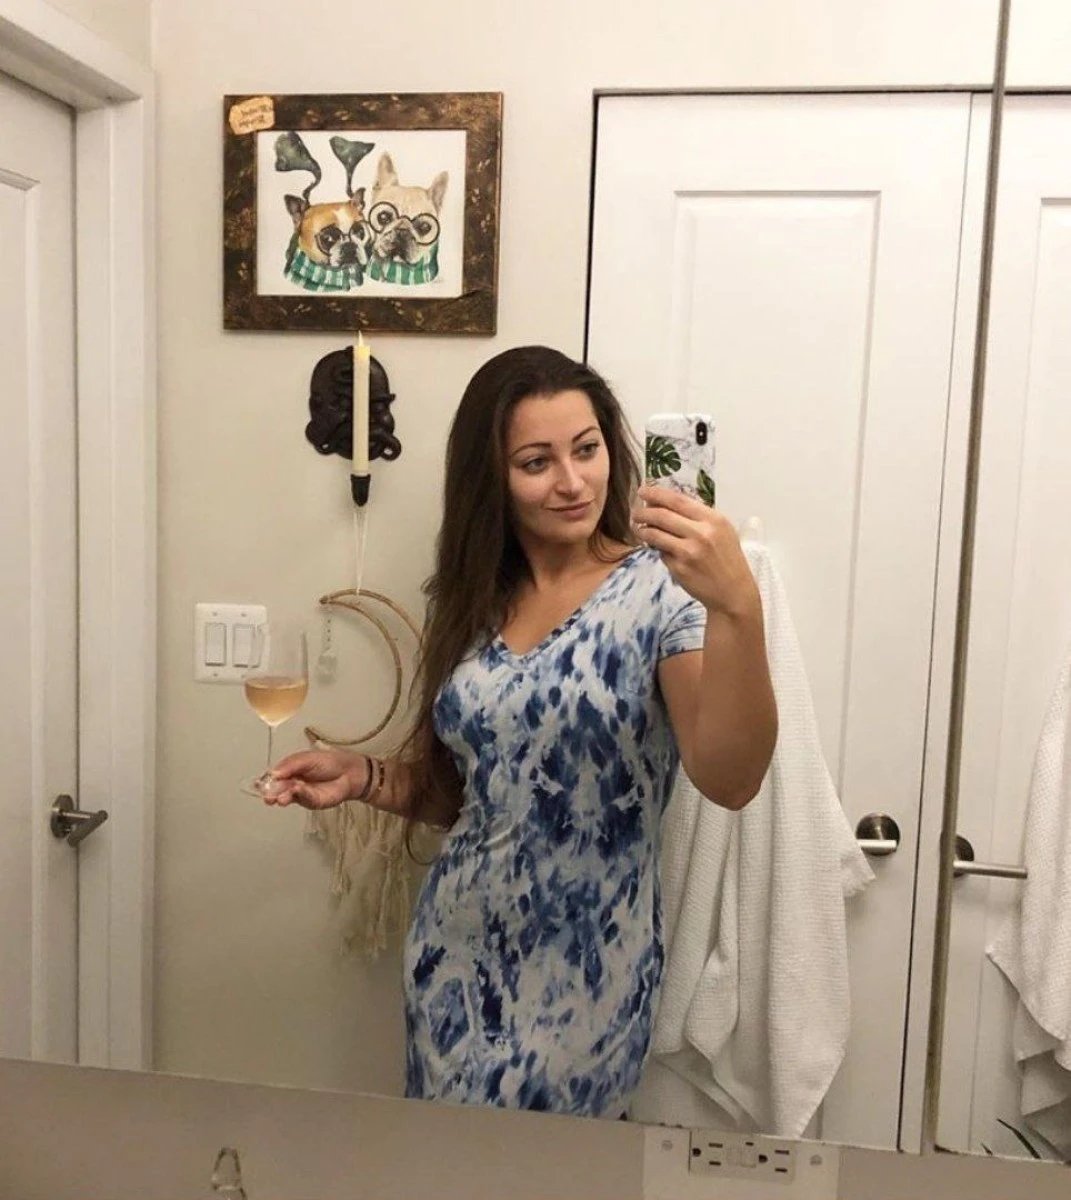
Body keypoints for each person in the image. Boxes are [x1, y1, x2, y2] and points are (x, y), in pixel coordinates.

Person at [265, 346, 777, 1119]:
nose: (572, 482)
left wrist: (737, 606)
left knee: (545, 1170)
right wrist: (365, 777)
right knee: (445, 1164)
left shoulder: (662, 593)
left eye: (586, 450)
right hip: (454, 960)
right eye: (536, 462)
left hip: (589, 977)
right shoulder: (470, 600)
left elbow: (730, 779)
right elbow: (472, 798)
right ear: (491, 479)